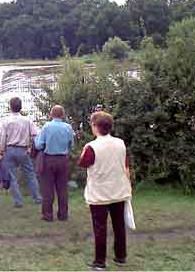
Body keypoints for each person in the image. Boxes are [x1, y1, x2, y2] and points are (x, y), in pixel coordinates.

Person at [77, 111, 132, 270]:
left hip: (99, 193)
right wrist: (129, 186)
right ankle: (120, 257)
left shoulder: (91, 147)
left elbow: (83, 163)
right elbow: (126, 165)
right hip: (119, 190)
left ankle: (100, 262)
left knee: (100, 228)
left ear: (95, 127)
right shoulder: (120, 143)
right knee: (119, 225)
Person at [34, 105, 74, 222]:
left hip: (49, 159)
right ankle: (63, 214)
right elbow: (71, 145)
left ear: (51, 114)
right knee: (62, 188)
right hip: (63, 160)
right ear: (63, 115)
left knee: (47, 188)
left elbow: (39, 145)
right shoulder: (68, 127)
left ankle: (48, 214)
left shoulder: (46, 127)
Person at [0, 97, 41, 208]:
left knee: (12, 176)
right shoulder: (27, 120)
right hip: (23, 149)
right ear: (20, 106)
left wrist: (2, 150)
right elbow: (36, 134)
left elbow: (3, 137)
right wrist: (31, 147)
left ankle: (18, 201)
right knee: (30, 174)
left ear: (10, 107)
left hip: (10, 149)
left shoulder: (6, 121)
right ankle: (37, 198)